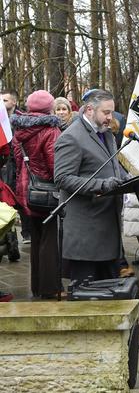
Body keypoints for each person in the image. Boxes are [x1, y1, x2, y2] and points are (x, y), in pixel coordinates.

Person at [54, 89, 126, 282]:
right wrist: (101, 185)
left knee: (111, 294)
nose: (110, 117)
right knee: (86, 297)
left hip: (108, 229)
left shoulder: (106, 133)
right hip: (86, 233)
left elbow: (111, 165)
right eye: (106, 112)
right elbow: (62, 178)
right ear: (89, 110)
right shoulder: (71, 137)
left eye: (111, 112)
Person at [12, 90, 62, 299]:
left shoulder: (19, 130)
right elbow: (55, 165)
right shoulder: (51, 131)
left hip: (25, 191)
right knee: (49, 239)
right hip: (46, 192)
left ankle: (36, 285)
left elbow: (17, 161)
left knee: (36, 239)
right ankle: (50, 288)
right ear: (48, 107)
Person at [1, 89, 30, 245]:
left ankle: (26, 232)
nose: (2, 103)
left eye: (5, 100)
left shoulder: (22, 120)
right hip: (4, 165)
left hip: (19, 165)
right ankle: (10, 242)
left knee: (20, 199)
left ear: (13, 101)